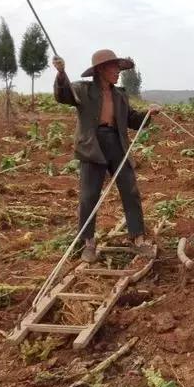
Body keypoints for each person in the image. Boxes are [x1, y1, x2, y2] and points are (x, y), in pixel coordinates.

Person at [52, 49, 161, 263]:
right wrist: (61, 73)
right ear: (101, 70)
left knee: (130, 190)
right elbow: (63, 95)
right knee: (89, 196)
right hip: (93, 145)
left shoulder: (119, 95)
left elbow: (131, 119)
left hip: (117, 143)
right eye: (114, 68)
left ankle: (137, 239)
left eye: (119, 68)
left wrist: (149, 113)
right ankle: (88, 242)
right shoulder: (83, 90)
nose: (118, 72)